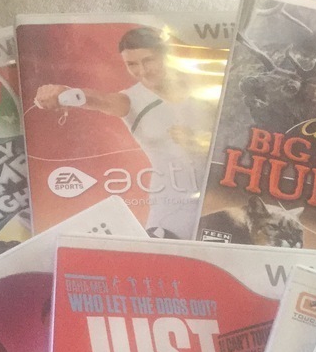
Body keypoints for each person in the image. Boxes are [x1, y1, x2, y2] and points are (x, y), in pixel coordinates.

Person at [34, 26, 214, 239]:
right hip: (172, 208)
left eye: (148, 60)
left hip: (221, 197)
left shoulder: (205, 87)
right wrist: (65, 93)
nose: (142, 71)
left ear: (166, 56)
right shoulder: (131, 100)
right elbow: (100, 100)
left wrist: (201, 141)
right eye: (132, 64)